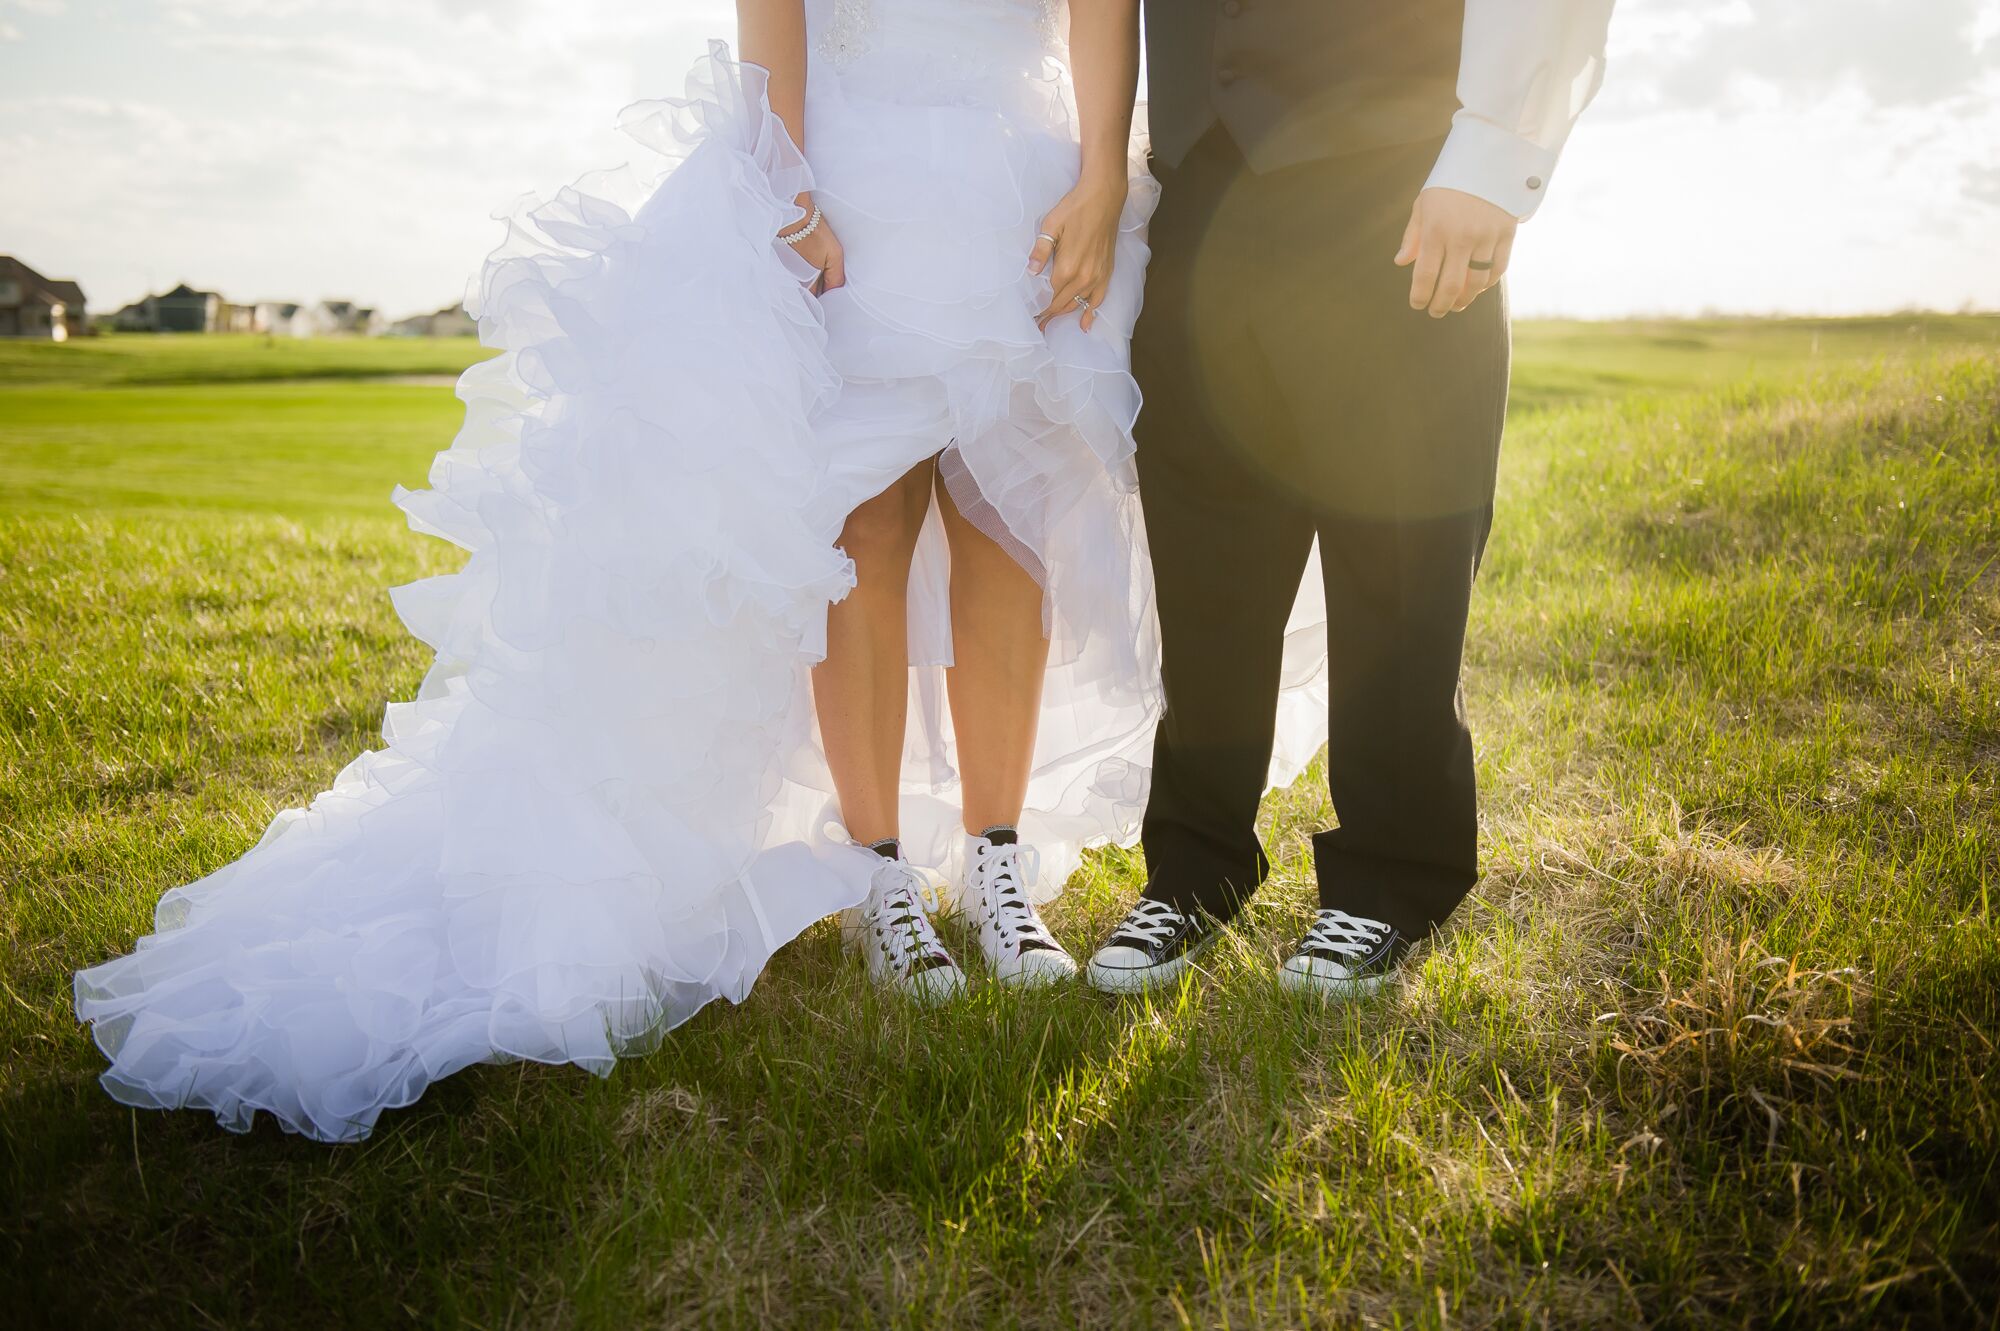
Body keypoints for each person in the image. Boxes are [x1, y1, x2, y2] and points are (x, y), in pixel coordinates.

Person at [71, 0, 1230, 1143]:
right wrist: (787, 185)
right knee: (861, 532)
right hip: (852, 177)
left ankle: (996, 865)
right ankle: (881, 876)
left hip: (1019, 181)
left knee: (1007, 523)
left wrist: (1095, 174)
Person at [1086, 0, 1615, 997]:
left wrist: (1491, 156)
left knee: (1398, 545)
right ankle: (1195, 867)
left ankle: (1388, 876)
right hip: (1203, 183)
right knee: (1205, 561)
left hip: (1399, 175)